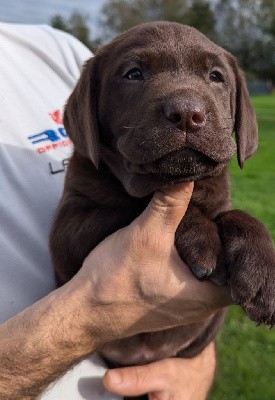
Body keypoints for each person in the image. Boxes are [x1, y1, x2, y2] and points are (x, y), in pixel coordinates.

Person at [0, 22, 232, 399]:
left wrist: (197, 359)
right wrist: (92, 312)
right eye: (135, 74)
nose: (188, 106)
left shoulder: (52, 49)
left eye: (215, 76)